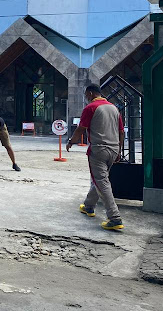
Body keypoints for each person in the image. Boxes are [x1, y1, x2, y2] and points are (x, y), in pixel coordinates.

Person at [66, 85, 124, 230]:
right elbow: (121, 132)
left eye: (86, 95)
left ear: (90, 93)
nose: (86, 98)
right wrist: (119, 151)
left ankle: (114, 217)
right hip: (113, 149)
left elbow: (81, 128)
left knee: (101, 181)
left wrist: (71, 141)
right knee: (99, 178)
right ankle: (88, 206)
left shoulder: (91, 108)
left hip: (98, 149)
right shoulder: (113, 108)